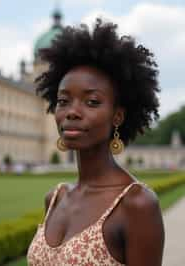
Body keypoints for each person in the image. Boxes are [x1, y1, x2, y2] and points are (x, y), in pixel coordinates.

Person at [27, 18, 165, 266]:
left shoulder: (136, 204)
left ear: (118, 116)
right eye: (63, 101)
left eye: (91, 102)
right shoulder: (55, 198)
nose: (71, 112)